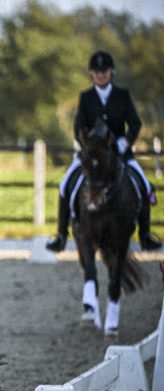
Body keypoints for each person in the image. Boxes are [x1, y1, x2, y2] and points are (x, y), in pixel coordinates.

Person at [46, 50, 161, 252]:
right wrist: (88, 148)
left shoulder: (122, 96)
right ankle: (61, 235)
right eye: (97, 71)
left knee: (144, 183)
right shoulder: (86, 97)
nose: (100, 74)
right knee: (64, 185)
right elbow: (78, 127)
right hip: (92, 156)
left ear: (111, 72)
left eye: (104, 71)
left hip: (121, 154)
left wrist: (125, 142)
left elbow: (135, 123)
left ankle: (145, 235)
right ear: (92, 74)